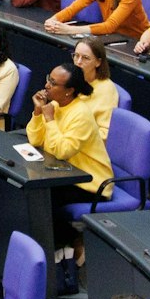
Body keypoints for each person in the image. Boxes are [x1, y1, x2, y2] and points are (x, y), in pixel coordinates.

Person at [29, 62, 112, 284]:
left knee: (44, 199)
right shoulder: (54, 105)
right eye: (48, 78)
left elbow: (62, 151)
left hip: (91, 183)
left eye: (53, 83)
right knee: (33, 194)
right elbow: (35, 140)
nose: (46, 85)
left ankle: (63, 259)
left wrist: (49, 119)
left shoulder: (80, 114)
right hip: (65, 174)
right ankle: (66, 246)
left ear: (69, 90)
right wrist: (38, 113)